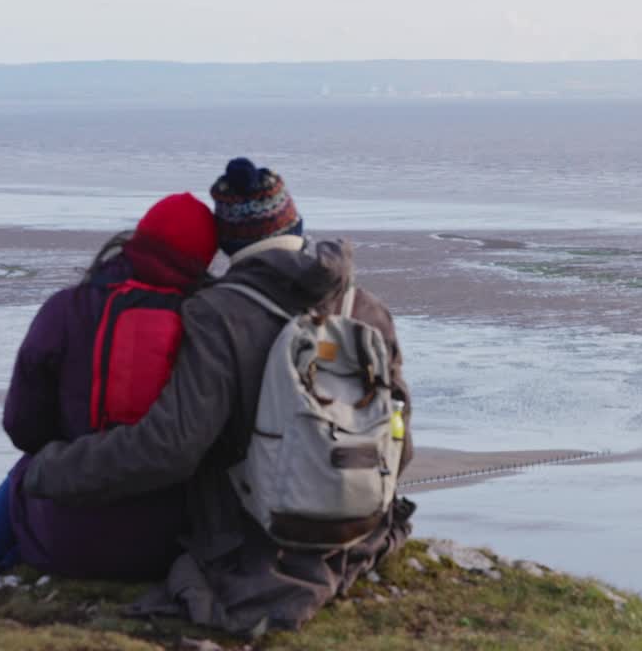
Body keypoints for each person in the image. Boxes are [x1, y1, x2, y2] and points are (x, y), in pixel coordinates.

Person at [21, 158, 415, 633]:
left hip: (257, 537)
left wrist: (52, 469)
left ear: (227, 246)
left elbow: (171, 448)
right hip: (361, 531)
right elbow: (401, 443)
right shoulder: (366, 308)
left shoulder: (217, 314)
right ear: (296, 222)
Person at [0, 193, 219, 601]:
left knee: (28, 468)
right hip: (168, 544)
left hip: (64, 537)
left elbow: (23, 426)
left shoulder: (66, 309)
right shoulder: (207, 324)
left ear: (138, 237)